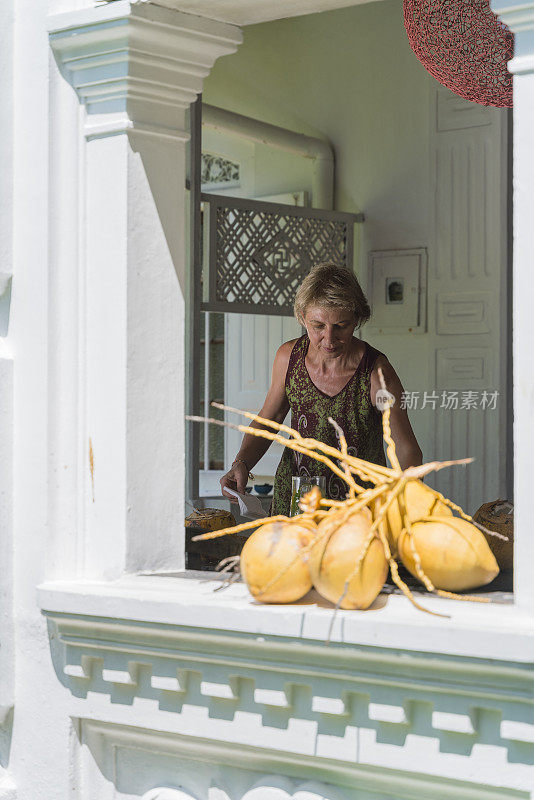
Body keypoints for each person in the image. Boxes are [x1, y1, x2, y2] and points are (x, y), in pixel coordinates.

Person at [220, 262, 423, 515]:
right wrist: (241, 462)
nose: (329, 338)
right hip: (295, 499)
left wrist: (407, 500)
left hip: (357, 506)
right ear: (302, 316)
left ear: (357, 319)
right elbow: (269, 419)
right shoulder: (288, 358)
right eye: (318, 326)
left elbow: (406, 447)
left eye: (341, 326)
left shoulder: (376, 372)